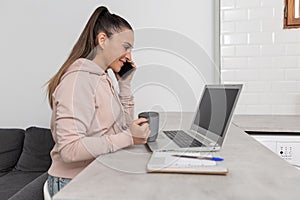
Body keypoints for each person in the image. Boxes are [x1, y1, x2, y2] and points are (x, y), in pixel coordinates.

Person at [46, 6, 150, 197]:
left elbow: (122, 127)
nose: (129, 56)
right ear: (102, 40)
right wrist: (129, 138)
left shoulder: (101, 78)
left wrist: (125, 85)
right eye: (126, 47)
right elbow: (70, 150)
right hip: (73, 183)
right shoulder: (78, 81)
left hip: (95, 175)